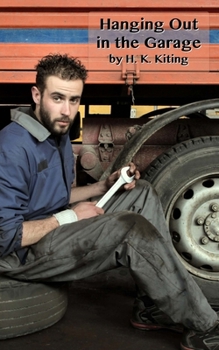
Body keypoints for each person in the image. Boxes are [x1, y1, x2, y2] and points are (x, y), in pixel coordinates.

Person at [0, 53, 218, 350]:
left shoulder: (57, 132)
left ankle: (151, 308)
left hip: (54, 228)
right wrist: (71, 218)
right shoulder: (12, 148)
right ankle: (205, 328)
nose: (66, 110)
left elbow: (55, 197)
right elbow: (6, 237)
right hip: (22, 255)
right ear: (37, 95)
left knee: (139, 193)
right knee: (129, 228)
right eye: (58, 98)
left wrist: (105, 185)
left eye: (74, 100)